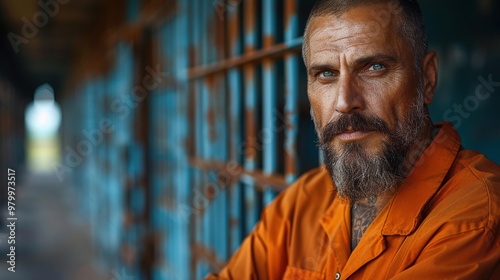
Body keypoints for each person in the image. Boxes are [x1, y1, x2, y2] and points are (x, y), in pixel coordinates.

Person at [206, 0, 500, 279]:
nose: (345, 102)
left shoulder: (476, 214)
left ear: (428, 78)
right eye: (325, 74)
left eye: (374, 67)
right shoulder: (302, 203)